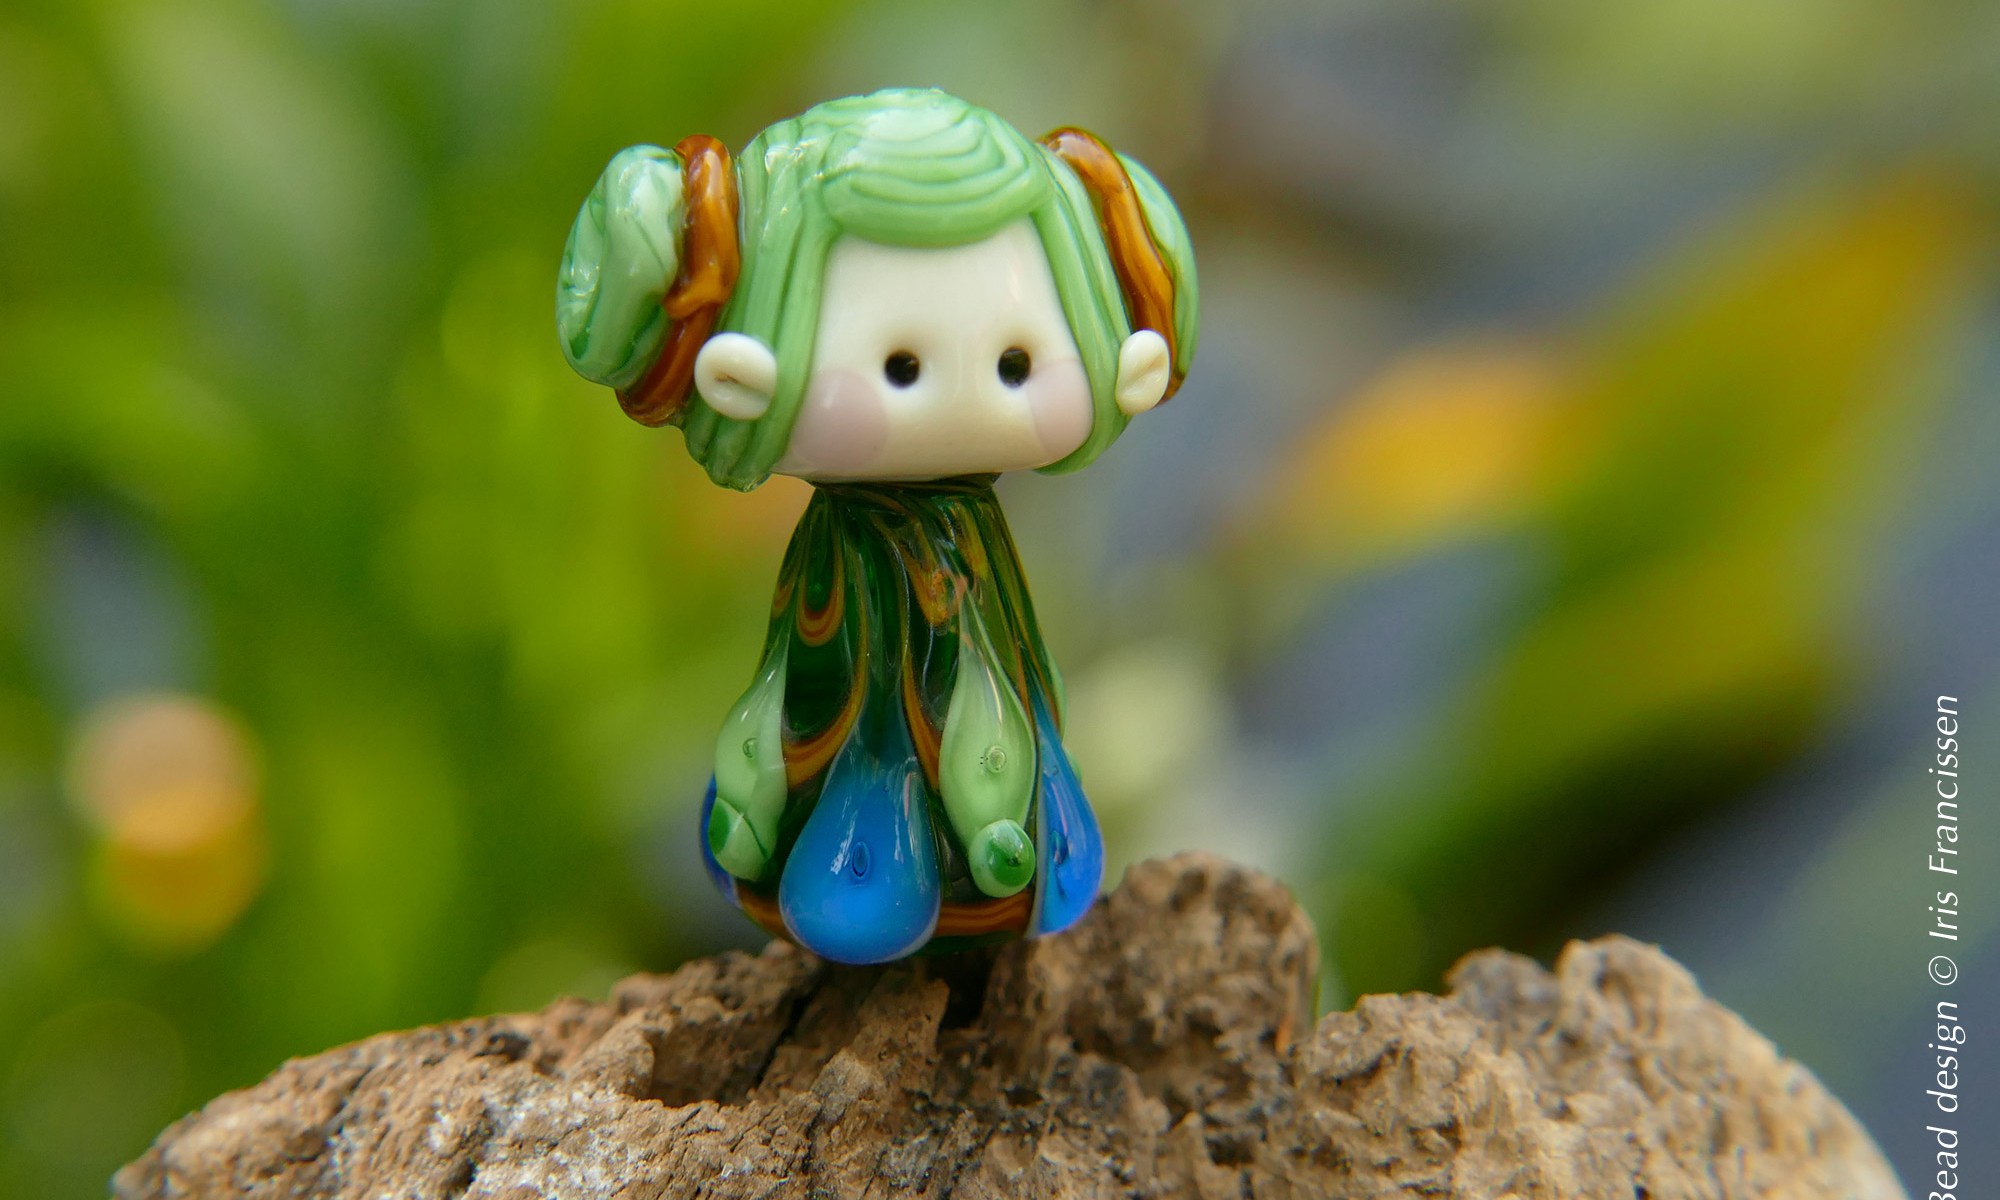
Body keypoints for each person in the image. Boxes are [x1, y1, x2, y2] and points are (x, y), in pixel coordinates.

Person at [556, 87, 1197, 963]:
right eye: (898, 364)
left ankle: (987, 836)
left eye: (1015, 362)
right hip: (840, 678)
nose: (961, 391)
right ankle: (858, 842)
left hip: (994, 781)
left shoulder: (970, 529)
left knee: (991, 687)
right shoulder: (842, 536)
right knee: (818, 691)